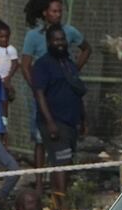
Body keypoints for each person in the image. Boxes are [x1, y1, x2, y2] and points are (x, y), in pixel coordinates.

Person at [29, 26, 84, 168]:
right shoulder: (43, 65)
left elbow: (77, 92)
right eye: (56, 40)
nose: (60, 43)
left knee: (68, 164)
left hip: (71, 122)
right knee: (61, 162)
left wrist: (83, 119)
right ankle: (59, 191)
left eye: (62, 39)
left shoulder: (69, 64)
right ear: (49, 43)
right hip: (55, 122)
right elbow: (39, 94)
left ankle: (61, 190)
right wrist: (50, 123)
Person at [24, 0, 86, 71]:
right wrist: (34, 82)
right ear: (45, 12)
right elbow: (25, 66)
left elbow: (87, 49)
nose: (58, 15)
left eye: (60, 11)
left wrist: (74, 71)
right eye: (54, 11)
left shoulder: (70, 31)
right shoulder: (32, 35)